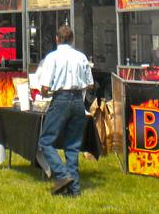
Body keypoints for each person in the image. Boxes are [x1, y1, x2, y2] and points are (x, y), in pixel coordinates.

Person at [36, 25, 94, 197]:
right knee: (72, 146)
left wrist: (45, 92)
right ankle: (74, 190)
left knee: (46, 141)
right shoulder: (81, 57)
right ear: (72, 39)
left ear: (57, 38)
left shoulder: (52, 58)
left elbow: (45, 87)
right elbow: (90, 84)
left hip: (60, 99)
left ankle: (63, 175)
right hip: (78, 101)